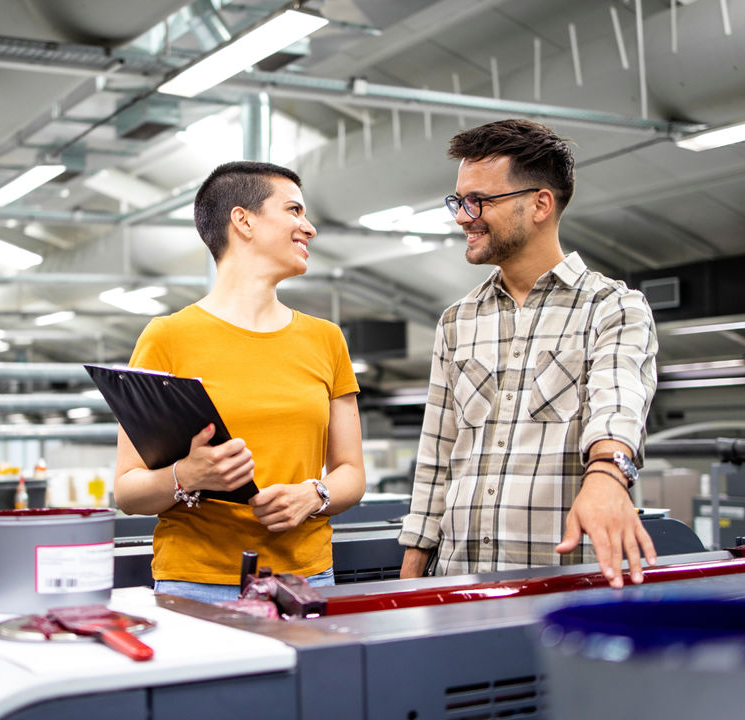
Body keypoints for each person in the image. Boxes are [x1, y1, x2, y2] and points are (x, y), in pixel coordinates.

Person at [398, 119, 659, 589]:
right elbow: (437, 455)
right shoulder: (458, 321)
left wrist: (607, 473)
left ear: (540, 204)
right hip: (458, 582)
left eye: (479, 201)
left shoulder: (611, 308)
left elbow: (617, 404)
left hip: (563, 588)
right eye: (459, 201)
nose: (462, 216)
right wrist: (413, 568)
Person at [114, 160, 366, 603]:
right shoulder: (167, 337)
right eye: (293, 211)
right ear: (243, 220)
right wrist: (186, 475)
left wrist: (314, 494)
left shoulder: (326, 340)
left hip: (304, 580)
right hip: (196, 583)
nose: (308, 228)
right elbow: (128, 491)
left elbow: (351, 473)